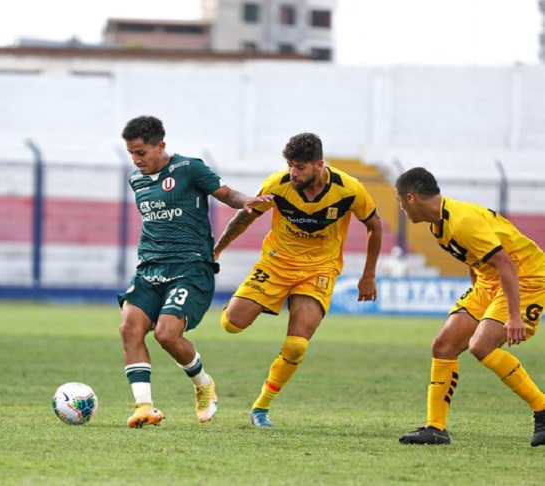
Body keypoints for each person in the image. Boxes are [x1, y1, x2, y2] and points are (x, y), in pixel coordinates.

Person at [214, 132, 382, 427]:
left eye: (300, 167)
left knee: (296, 346)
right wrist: (216, 251)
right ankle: (248, 303)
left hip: (319, 270)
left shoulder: (349, 190)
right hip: (276, 263)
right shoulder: (277, 186)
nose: (293, 172)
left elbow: (374, 224)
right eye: (290, 165)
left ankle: (261, 408)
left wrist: (368, 276)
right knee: (231, 324)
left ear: (319, 164)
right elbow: (245, 216)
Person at [118, 115, 272, 428]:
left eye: (141, 153)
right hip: (149, 266)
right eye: (131, 153)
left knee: (166, 334)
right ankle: (143, 406)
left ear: (161, 145)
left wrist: (247, 201)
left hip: (190, 266)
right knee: (129, 329)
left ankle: (203, 384)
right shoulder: (136, 180)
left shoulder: (190, 169)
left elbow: (227, 195)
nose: (136, 160)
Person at [395, 167, 545, 447]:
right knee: (443, 345)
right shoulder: (438, 225)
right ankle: (435, 429)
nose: (402, 209)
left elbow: (506, 264)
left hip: (524, 277)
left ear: (412, 198)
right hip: (489, 282)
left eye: (401, 202)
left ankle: (542, 408)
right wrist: (477, 291)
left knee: (481, 346)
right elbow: (473, 257)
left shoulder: (462, 220)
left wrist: (514, 316)